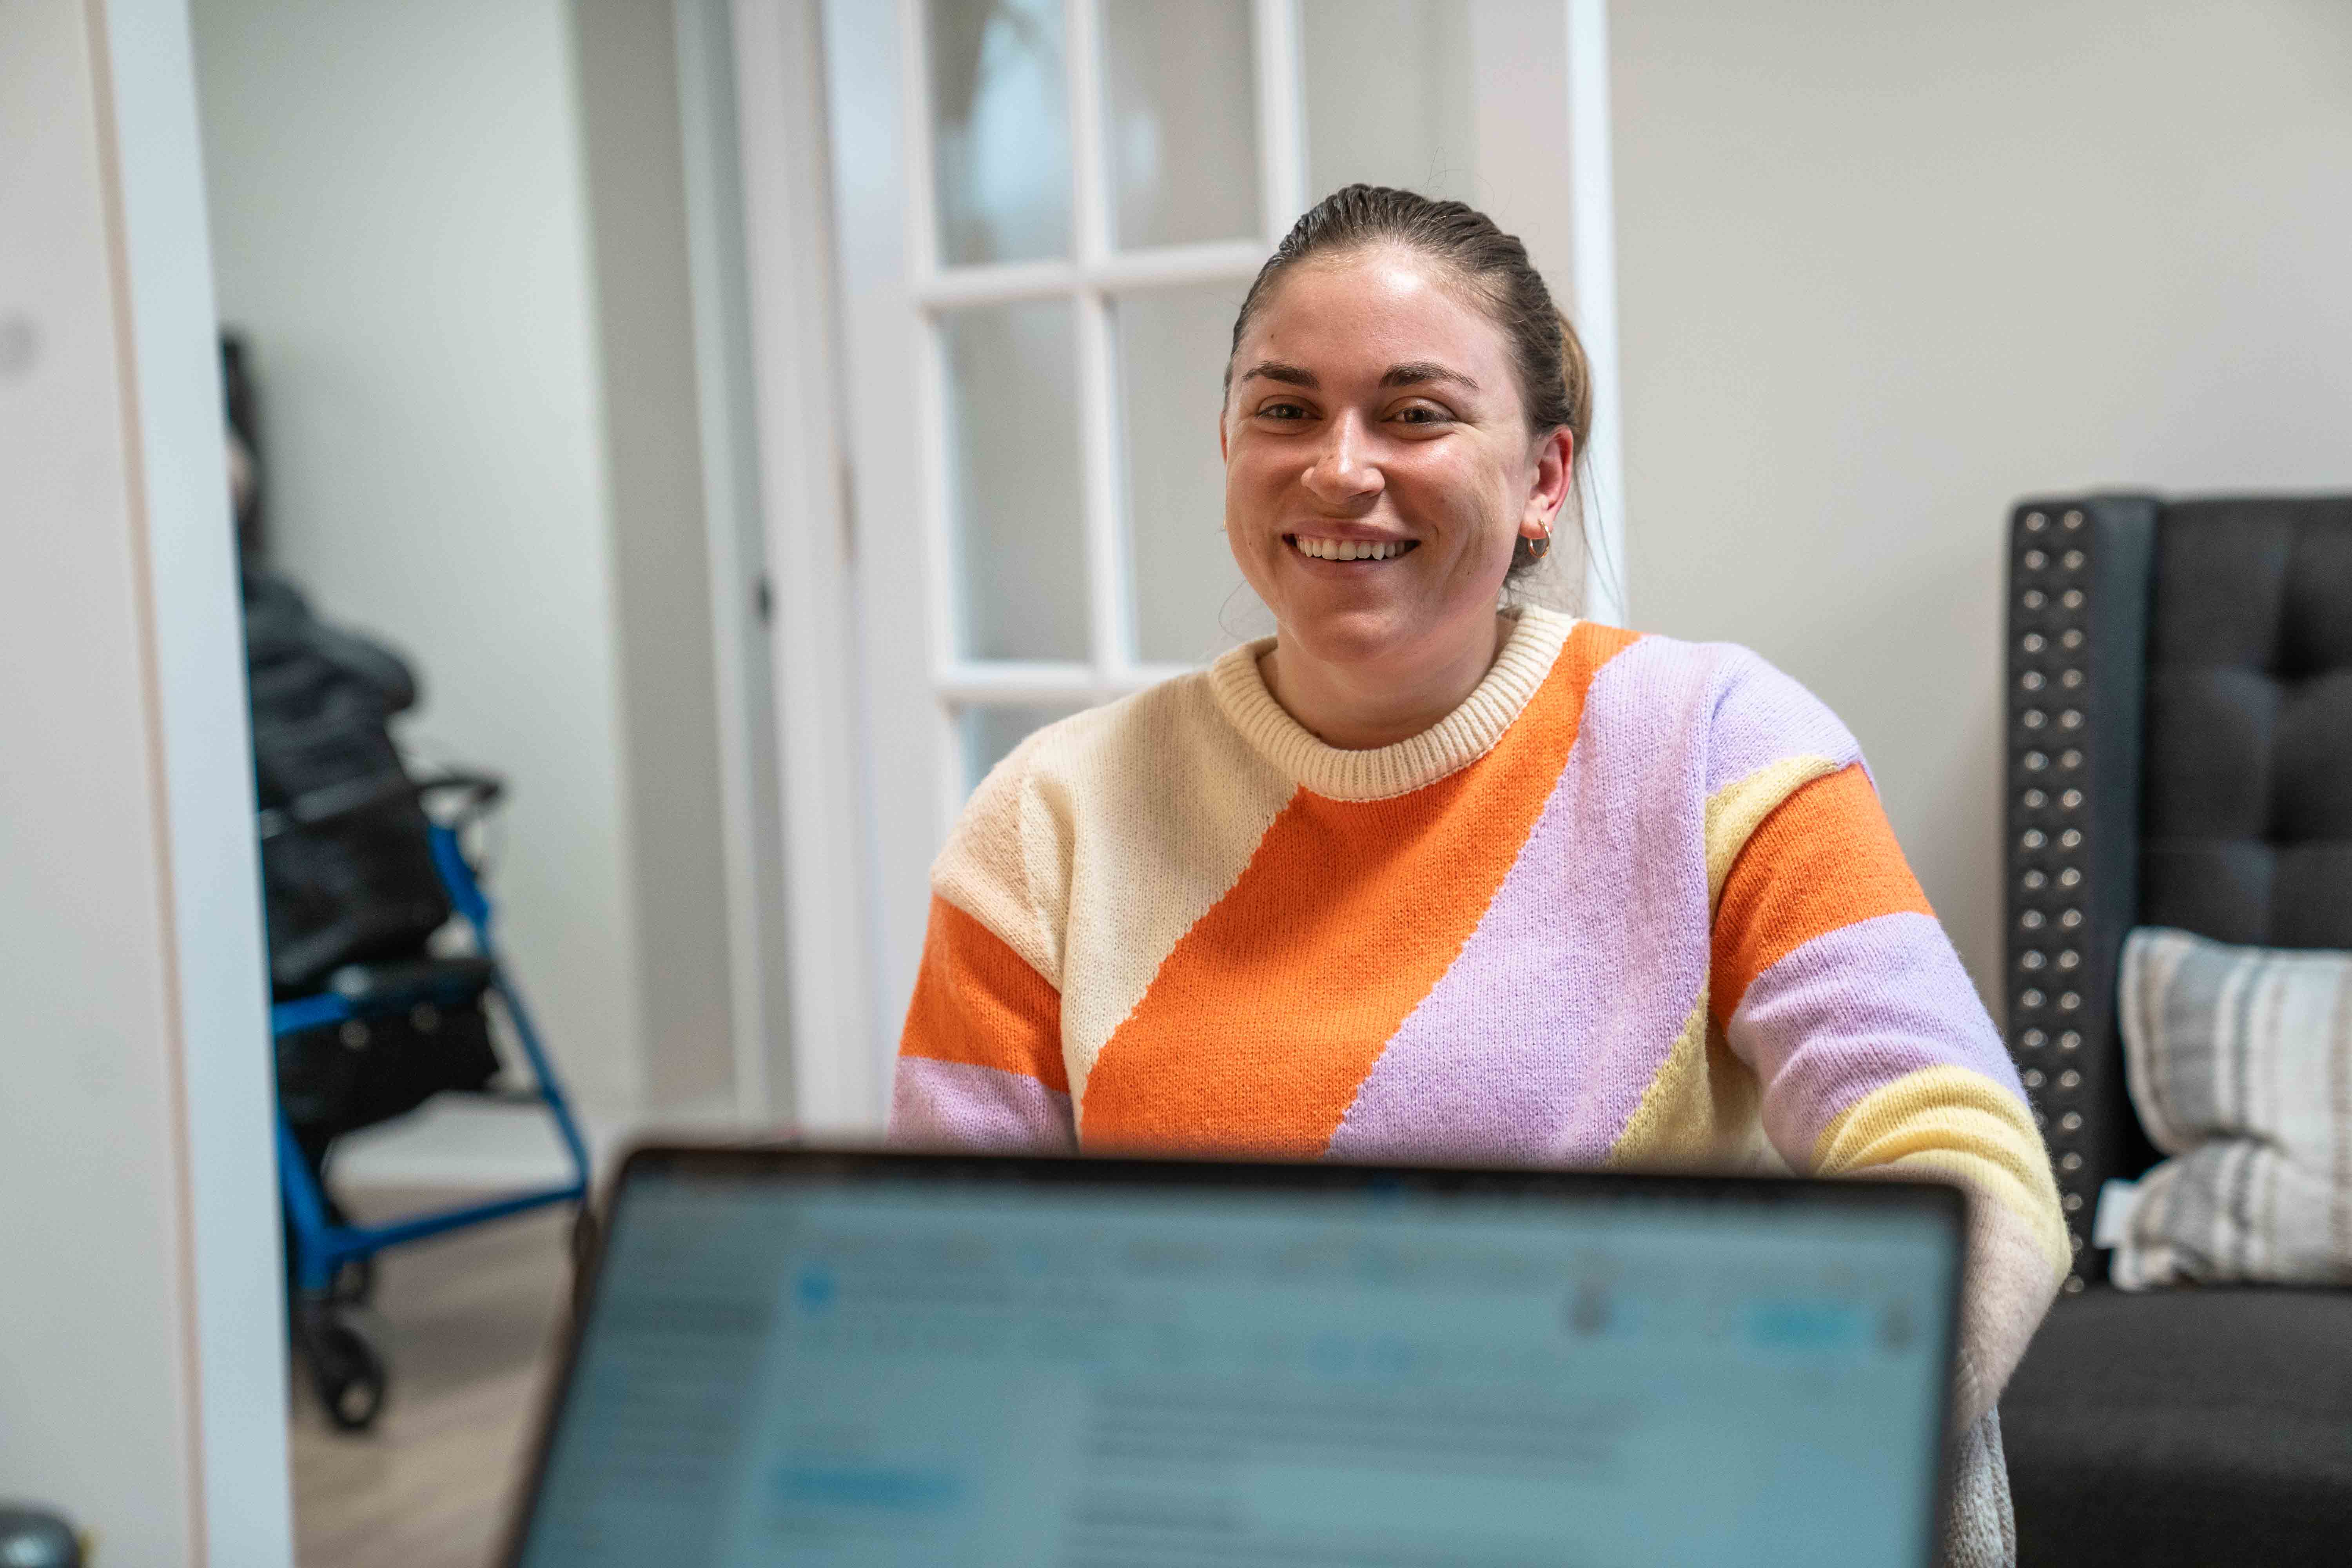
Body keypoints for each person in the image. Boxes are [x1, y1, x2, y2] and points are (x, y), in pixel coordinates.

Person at [889, 185, 2062, 1568]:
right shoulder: (1048, 816)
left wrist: (1730, 1461)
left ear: (1544, 480)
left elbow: (1965, 1162)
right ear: (1226, 450)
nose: (1340, 466)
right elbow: (940, 1289)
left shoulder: (1717, 748)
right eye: (1283, 409)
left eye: (1416, 413)